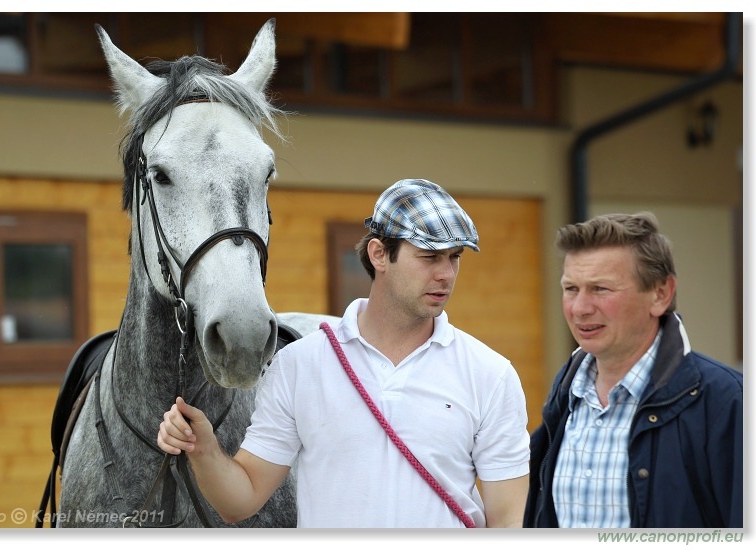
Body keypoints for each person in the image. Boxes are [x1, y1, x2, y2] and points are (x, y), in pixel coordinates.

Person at [158, 178, 530, 528]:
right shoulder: (298, 366)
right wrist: (203, 448)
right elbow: (241, 499)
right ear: (379, 254)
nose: (446, 274)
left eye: (454, 257)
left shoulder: (490, 375)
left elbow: (508, 521)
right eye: (429, 257)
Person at [524, 212, 743, 528]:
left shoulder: (728, 402)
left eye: (600, 289)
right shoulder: (564, 398)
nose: (580, 308)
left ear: (660, 294)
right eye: (571, 288)